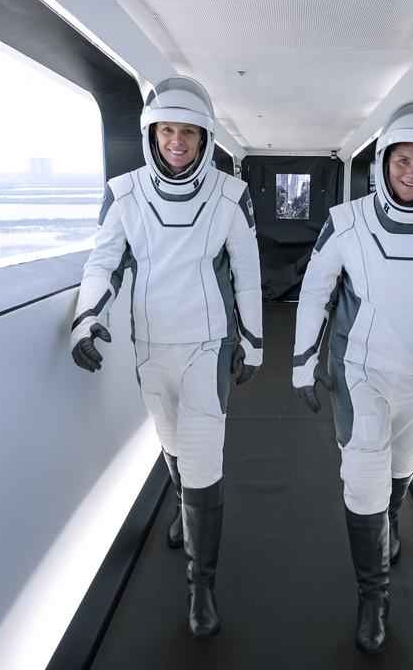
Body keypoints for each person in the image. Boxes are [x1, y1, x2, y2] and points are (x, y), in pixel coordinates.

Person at [291, 99, 413, 653]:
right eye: (402, 160)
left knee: (404, 465)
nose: (412, 173)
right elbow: (314, 292)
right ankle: (373, 596)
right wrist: (304, 359)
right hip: (361, 375)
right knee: (362, 478)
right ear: (383, 161)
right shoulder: (345, 221)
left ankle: (392, 519)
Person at [69, 75, 262, 639]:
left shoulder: (231, 195)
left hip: (206, 346)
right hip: (149, 346)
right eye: (167, 131)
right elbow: (100, 265)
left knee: (203, 466)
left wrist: (252, 340)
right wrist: (87, 320)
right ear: (153, 135)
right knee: (171, 447)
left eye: (188, 133)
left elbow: (247, 272)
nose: (177, 142)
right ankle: (180, 508)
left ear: (203, 139)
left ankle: (200, 585)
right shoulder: (124, 192)